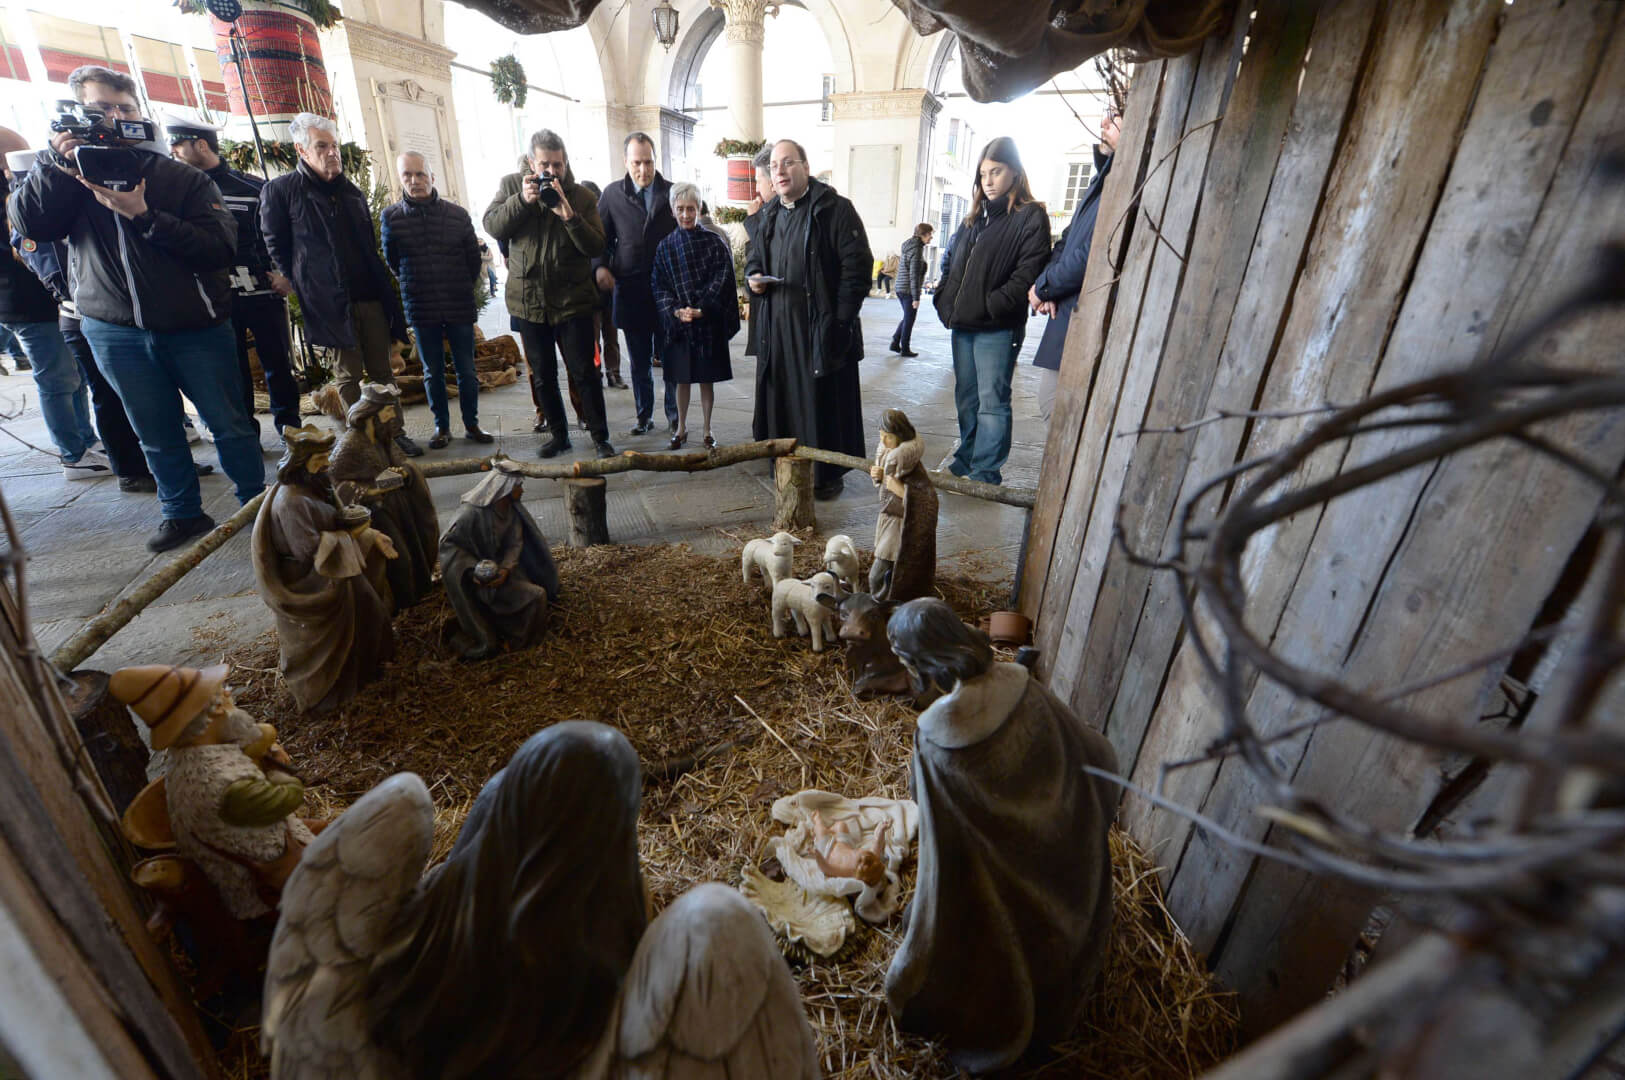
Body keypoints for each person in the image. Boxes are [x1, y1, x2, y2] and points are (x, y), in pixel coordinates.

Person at [11, 64, 265, 551]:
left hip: (195, 325)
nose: (114, 118)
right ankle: (182, 513)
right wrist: (55, 166)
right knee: (155, 429)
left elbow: (217, 248)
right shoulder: (65, 181)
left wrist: (145, 216)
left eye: (124, 109)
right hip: (114, 329)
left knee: (229, 423)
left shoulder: (179, 178)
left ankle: (258, 505)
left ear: (138, 115)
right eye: (100, 110)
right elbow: (30, 225)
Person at [884, 598, 1117, 1073]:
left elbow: (938, 838)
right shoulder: (1023, 685)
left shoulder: (936, 738)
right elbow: (1096, 753)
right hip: (1068, 875)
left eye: (906, 661)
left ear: (923, 663)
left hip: (1002, 899)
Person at [261, 113, 421, 457]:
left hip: (369, 297)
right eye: (322, 146)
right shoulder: (281, 191)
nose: (332, 152)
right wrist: (301, 282)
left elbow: (367, 245)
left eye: (334, 145)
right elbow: (276, 243)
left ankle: (393, 433)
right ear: (302, 150)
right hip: (328, 302)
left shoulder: (351, 192)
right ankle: (360, 439)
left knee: (382, 371)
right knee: (348, 375)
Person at [6, 145, 163, 492]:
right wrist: (87, 292)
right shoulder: (34, 210)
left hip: (112, 310)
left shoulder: (68, 198)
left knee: (137, 392)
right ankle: (129, 468)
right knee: (105, 394)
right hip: (81, 313)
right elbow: (53, 268)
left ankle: (159, 460)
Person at [747, 139, 872, 501]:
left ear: (805, 166)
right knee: (782, 402)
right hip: (778, 329)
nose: (780, 171)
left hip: (819, 330)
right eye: (774, 166)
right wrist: (753, 277)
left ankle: (824, 476)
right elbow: (755, 258)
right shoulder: (770, 214)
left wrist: (840, 320)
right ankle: (786, 467)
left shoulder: (834, 209)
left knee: (820, 404)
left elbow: (857, 268)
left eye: (788, 163)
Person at [165, 114, 301, 438]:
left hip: (263, 292)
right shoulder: (178, 192)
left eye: (178, 144)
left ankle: (292, 432)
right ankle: (246, 437)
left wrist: (285, 274)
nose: (173, 152)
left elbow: (284, 234)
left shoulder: (254, 187)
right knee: (231, 371)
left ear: (201, 145)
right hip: (214, 298)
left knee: (278, 365)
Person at [483, 129, 616, 459]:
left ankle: (600, 437)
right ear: (532, 162)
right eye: (545, 165)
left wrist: (569, 216)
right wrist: (521, 202)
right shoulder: (511, 186)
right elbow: (492, 225)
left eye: (558, 165)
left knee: (585, 374)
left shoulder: (582, 197)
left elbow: (596, 246)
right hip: (529, 303)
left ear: (565, 163)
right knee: (542, 376)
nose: (552, 172)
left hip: (572, 303)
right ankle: (559, 436)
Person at [250, 425, 396, 712]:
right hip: (312, 579)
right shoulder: (292, 502)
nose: (327, 463)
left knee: (370, 610)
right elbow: (307, 551)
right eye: (320, 459)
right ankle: (332, 693)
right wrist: (355, 534)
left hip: (335, 567)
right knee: (359, 615)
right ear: (300, 463)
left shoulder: (318, 484)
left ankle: (368, 669)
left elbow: (338, 515)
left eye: (326, 457)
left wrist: (364, 532)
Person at [933, 136, 1051, 486]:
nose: (988, 181)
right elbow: (950, 261)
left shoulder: (1030, 215)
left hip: (997, 326)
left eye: (996, 172)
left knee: (992, 401)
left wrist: (991, 305)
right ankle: (966, 458)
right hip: (963, 324)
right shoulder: (974, 218)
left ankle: (985, 471)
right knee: (966, 398)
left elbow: (1028, 272)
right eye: (983, 174)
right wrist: (944, 298)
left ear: (1014, 172)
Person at [0, 140, 104, 481]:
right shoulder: (18, 201)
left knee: (74, 377)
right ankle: (72, 454)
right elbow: (35, 256)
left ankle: (86, 440)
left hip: (48, 305)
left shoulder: (22, 196)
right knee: (57, 379)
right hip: (28, 307)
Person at [381, 151, 492, 451]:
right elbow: (393, 261)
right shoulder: (391, 217)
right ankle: (441, 428)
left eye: (420, 174)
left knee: (466, 369)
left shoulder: (457, 215)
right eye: (407, 175)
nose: (414, 180)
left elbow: (472, 261)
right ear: (401, 179)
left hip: (457, 302)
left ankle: (472, 424)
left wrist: (457, 285)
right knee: (432, 372)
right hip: (421, 305)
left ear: (432, 177)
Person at [1029, 108, 1120, 422]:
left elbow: (1096, 251)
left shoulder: (1122, 181)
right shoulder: (1103, 177)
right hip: (1068, 306)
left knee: (1059, 412)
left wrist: (1044, 287)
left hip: (1087, 314)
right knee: (1054, 408)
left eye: (1115, 115)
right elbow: (1067, 240)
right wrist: (1046, 284)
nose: (1103, 123)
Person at [329, 383, 439, 612]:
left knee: (415, 549)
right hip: (375, 513)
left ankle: (419, 597)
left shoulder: (383, 436)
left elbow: (403, 462)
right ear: (372, 413)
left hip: (398, 505)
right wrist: (370, 491)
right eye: (388, 410)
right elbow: (337, 483)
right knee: (399, 558)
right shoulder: (350, 444)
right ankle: (403, 607)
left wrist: (404, 472)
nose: (392, 415)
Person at [595, 132, 677, 437]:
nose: (643, 169)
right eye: (637, 163)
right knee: (639, 362)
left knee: (671, 360)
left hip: (667, 292)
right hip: (630, 290)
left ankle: (675, 416)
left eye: (648, 162)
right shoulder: (612, 195)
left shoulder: (672, 192)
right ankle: (644, 416)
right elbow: (600, 238)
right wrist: (600, 266)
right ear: (625, 162)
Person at [439, 464, 560, 661]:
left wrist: (505, 569)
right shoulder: (470, 514)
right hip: (480, 580)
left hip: (504, 572)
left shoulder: (510, 510)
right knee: (537, 596)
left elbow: (514, 543)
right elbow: (448, 545)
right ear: (506, 488)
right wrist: (472, 570)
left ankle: (521, 637)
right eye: (519, 486)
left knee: (537, 594)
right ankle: (521, 644)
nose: (522, 490)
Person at [651, 182, 737, 451]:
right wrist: (677, 310)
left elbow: (722, 279)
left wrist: (703, 308)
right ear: (672, 211)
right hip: (679, 326)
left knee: (706, 380)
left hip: (706, 324)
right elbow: (659, 285)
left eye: (691, 208)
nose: (686, 214)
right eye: (680, 209)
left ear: (699, 209)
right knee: (682, 380)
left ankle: (708, 430)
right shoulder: (665, 246)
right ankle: (681, 428)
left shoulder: (714, 243)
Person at [579, 178, 625, 393]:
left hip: (609, 291)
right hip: (589, 293)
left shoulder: (607, 224)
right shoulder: (579, 226)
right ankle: (596, 374)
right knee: (593, 339)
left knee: (612, 336)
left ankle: (614, 373)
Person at [742, 144, 774, 359]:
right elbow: (753, 258)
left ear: (772, 182)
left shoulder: (770, 214)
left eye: (758, 181)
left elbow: (762, 248)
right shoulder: (766, 210)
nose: (757, 189)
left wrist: (753, 219)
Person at [889, 222, 933, 357]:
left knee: (907, 317)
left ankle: (895, 342)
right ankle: (905, 348)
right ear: (922, 235)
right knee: (909, 319)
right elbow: (914, 275)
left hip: (901, 287)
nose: (931, 237)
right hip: (907, 289)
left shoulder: (910, 245)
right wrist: (916, 298)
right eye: (930, 234)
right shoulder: (917, 249)